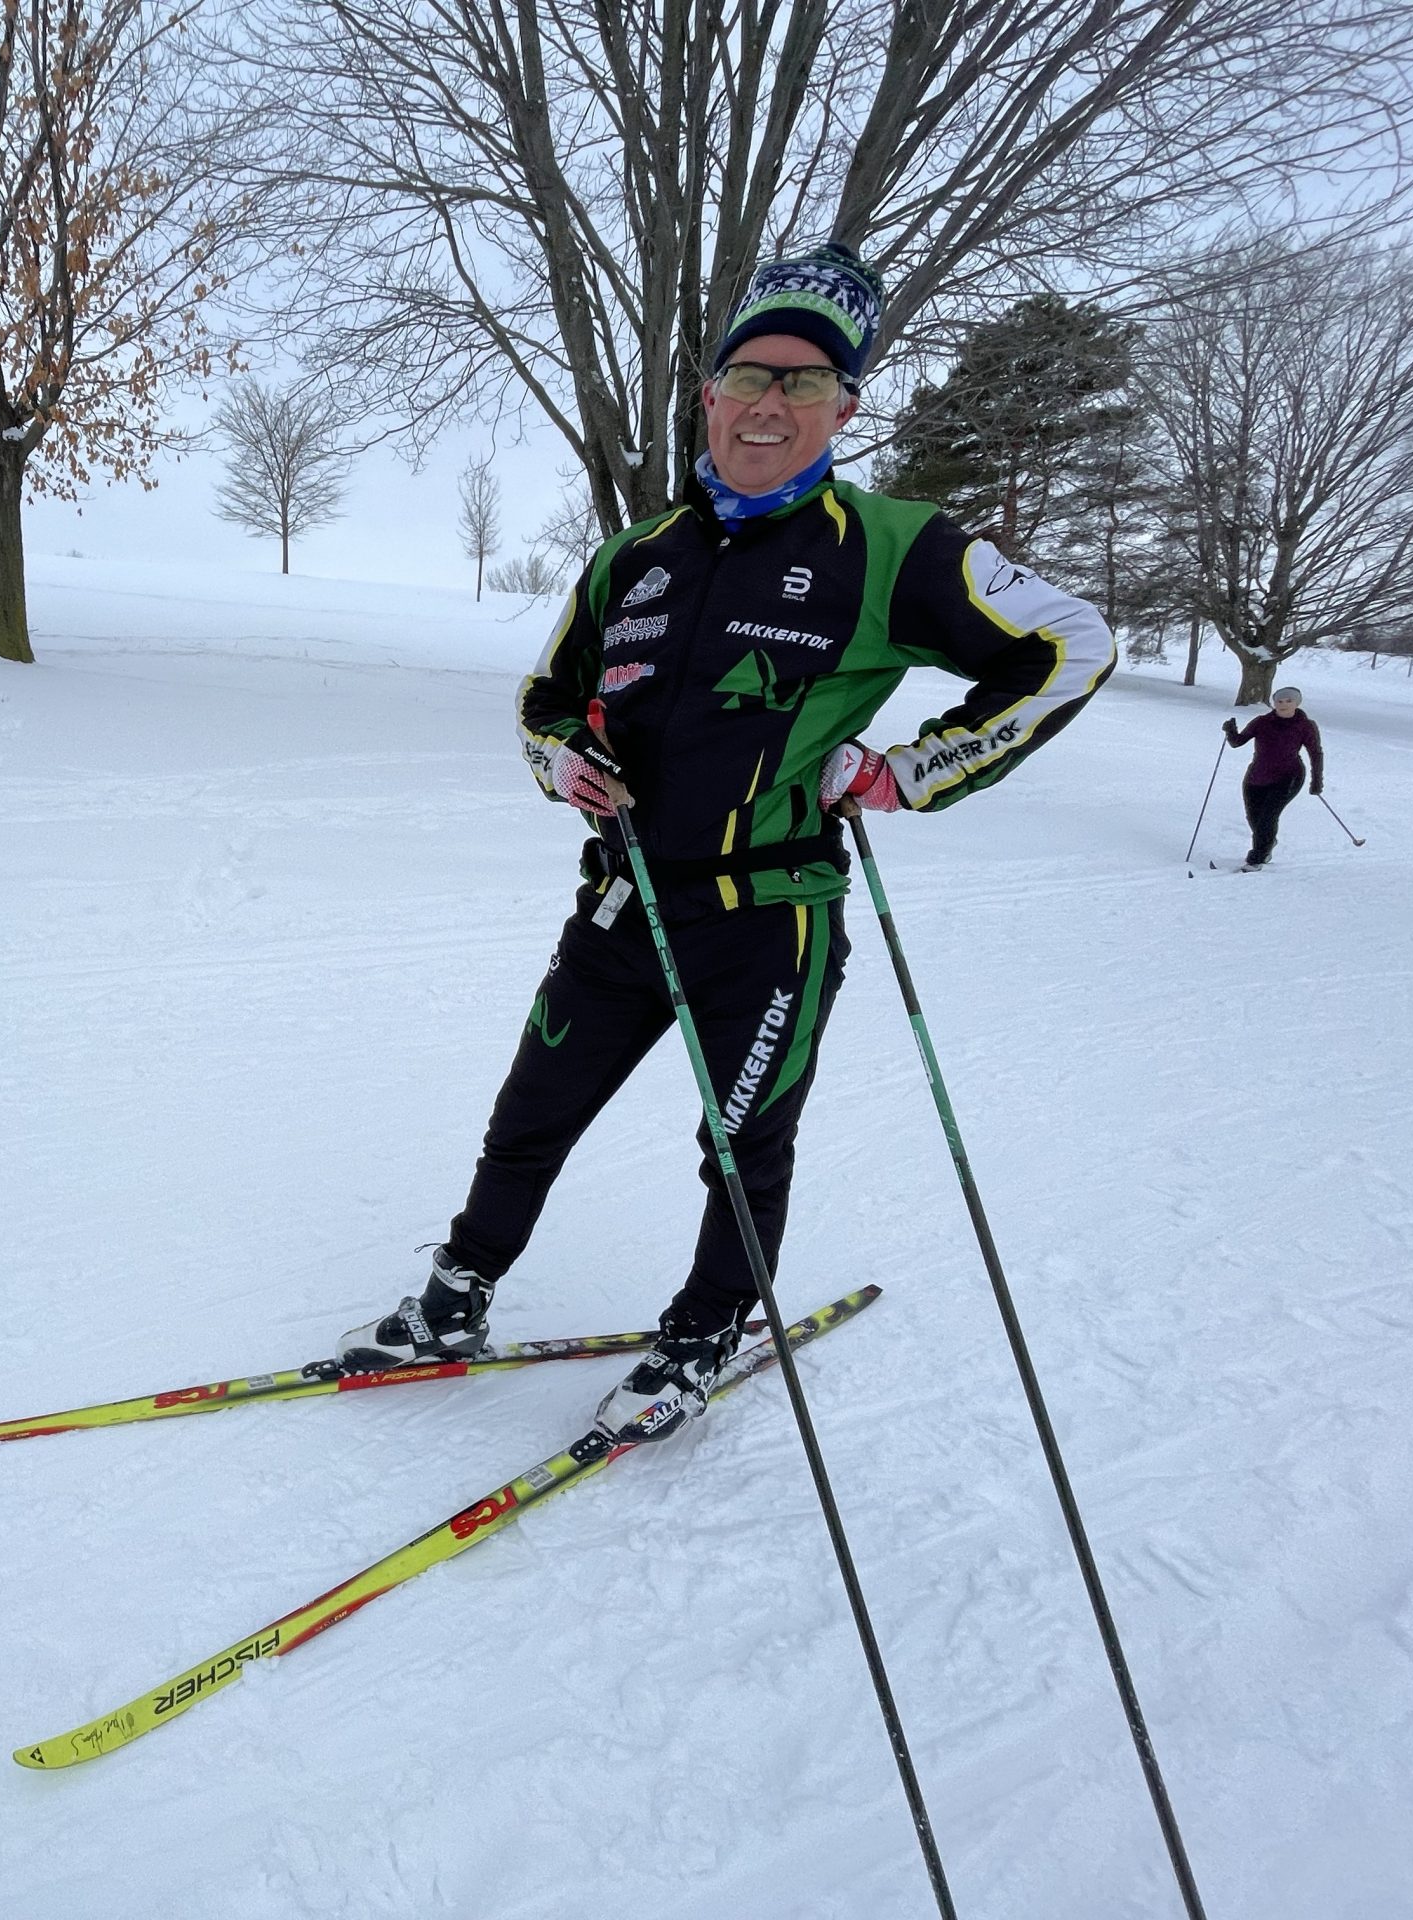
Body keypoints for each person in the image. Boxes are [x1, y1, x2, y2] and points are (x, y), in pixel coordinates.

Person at [337, 242, 1117, 1444]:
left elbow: (1068, 642)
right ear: (708, 391)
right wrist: (559, 763)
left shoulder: (891, 545)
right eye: (749, 374)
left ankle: (702, 1329)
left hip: (769, 918)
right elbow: (546, 701)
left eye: (805, 383)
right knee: (530, 1111)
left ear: (845, 405)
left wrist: (916, 770)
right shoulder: (634, 556)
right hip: (622, 901)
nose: (770, 403)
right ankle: (457, 1294)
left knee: (743, 1142)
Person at [1222, 687, 1322, 868]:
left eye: (1288, 701)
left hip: (1289, 777)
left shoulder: (1305, 725)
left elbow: (1315, 753)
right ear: (1274, 703)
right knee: (1255, 818)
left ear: (1297, 703)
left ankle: (1256, 859)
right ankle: (1267, 843)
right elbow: (1237, 742)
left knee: (1268, 817)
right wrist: (1230, 732)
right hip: (1256, 777)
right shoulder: (1262, 722)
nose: (1283, 705)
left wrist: (1316, 782)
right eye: (1279, 701)